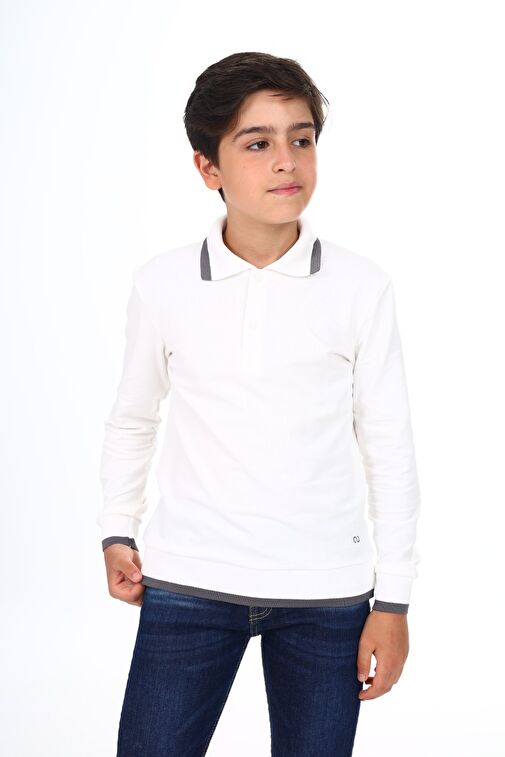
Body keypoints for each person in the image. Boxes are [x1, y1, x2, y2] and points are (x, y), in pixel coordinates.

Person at [97, 51, 421, 756]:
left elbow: (389, 445)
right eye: (257, 143)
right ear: (207, 167)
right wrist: (117, 528)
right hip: (189, 581)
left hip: (326, 595)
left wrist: (392, 600)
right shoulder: (163, 284)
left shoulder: (360, 287)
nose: (286, 161)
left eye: (301, 139)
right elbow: (133, 416)